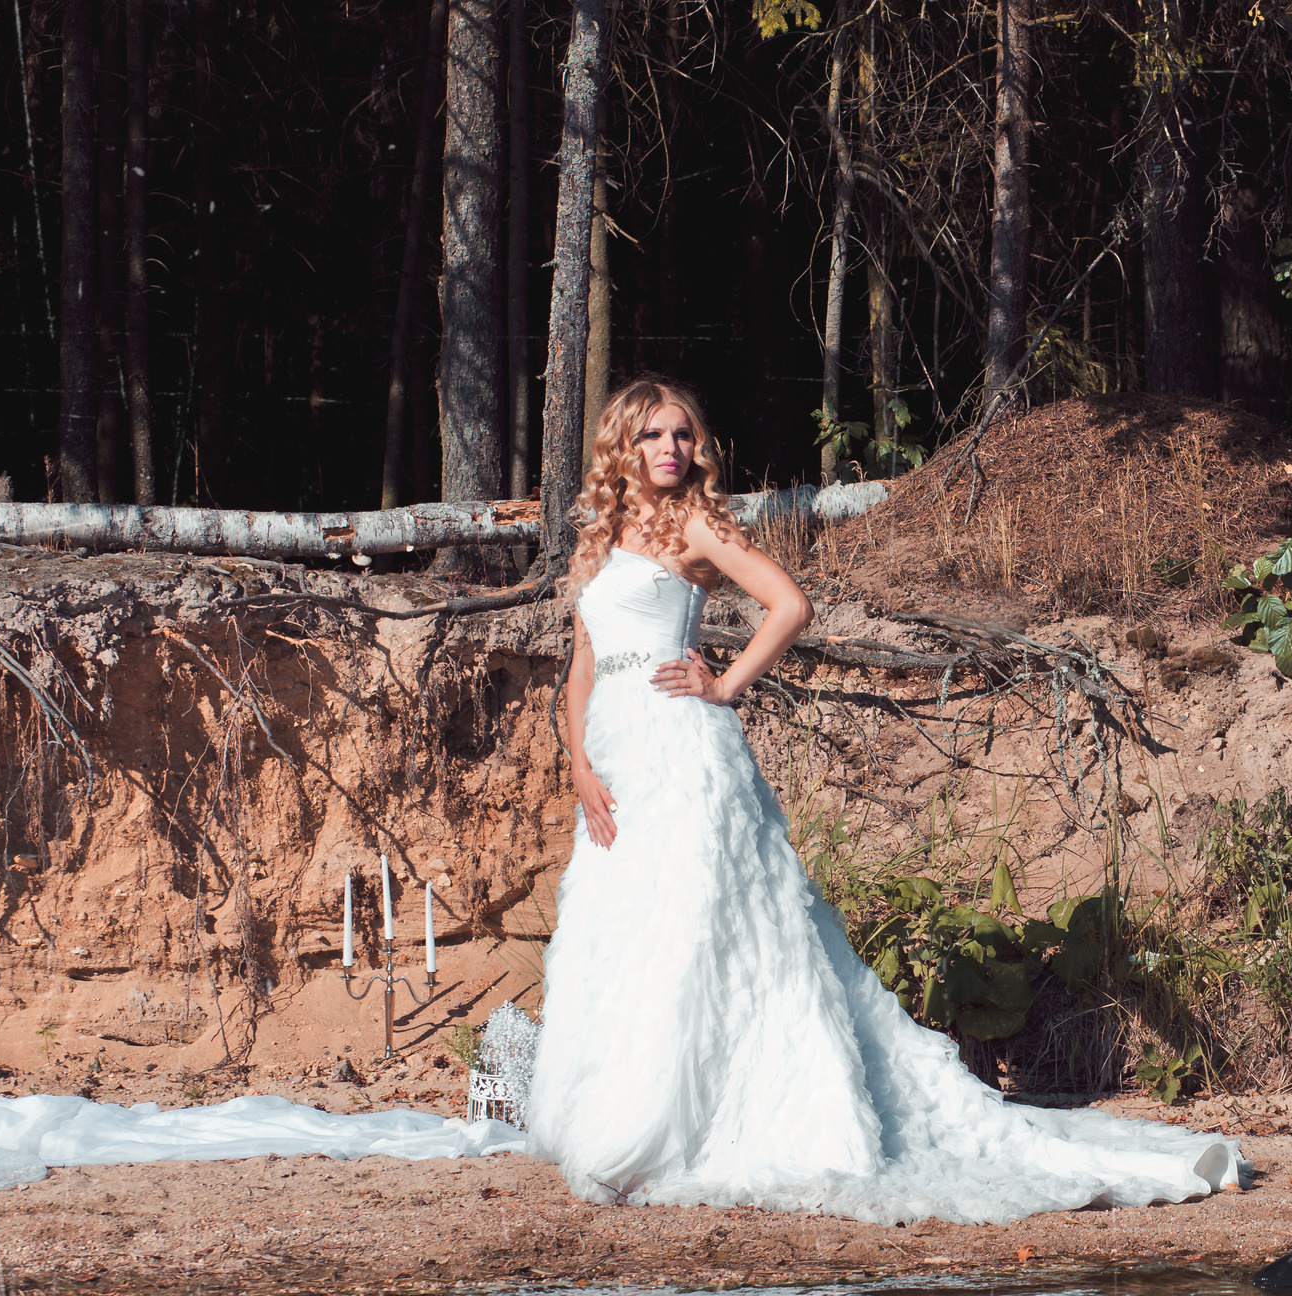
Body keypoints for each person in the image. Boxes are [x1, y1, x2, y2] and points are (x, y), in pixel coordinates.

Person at [521, 380, 1238, 1222]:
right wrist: (576, 760)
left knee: (692, 928)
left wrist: (724, 686)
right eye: (653, 436)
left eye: (683, 434)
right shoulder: (601, 538)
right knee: (625, 927)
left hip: (683, 752)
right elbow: (582, 660)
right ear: (623, 447)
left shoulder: (697, 526)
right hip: (613, 759)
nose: (672, 448)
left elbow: (791, 606)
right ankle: (614, 1110)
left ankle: (675, 1126)